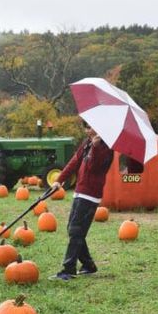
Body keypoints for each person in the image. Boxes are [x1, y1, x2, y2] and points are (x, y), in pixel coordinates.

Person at [49, 120, 114, 280]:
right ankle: (88, 265)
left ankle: (68, 269)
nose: (87, 130)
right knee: (74, 229)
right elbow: (74, 162)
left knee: (76, 230)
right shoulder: (87, 144)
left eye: (90, 127)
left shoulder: (106, 149)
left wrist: (96, 147)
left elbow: (93, 166)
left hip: (90, 195)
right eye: (86, 127)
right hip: (80, 191)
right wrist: (60, 179)